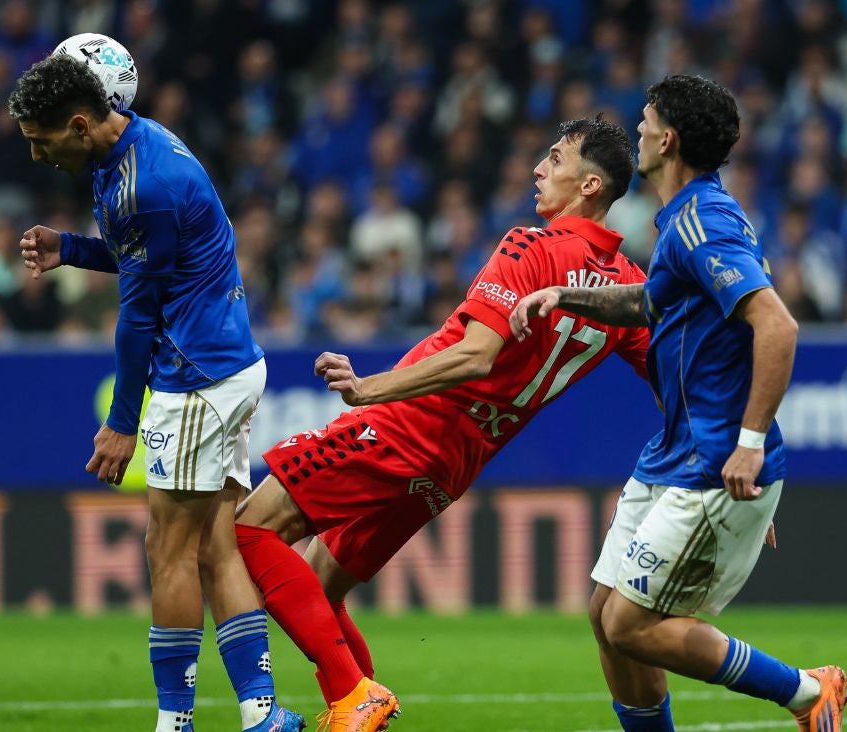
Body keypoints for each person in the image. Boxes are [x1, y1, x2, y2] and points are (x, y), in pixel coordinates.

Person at [234, 117, 651, 731]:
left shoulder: (530, 246)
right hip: (454, 464)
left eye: (555, 159)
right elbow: (676, 379)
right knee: (320, 585)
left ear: (590, 185)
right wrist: (731, 452)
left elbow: (475, 354)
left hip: (407, 426)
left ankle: (352, 695)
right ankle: (356, 708)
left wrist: (369, 388)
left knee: (247, 532)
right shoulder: (628, 289)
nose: (539, 168)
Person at [510, 75, 847, 732]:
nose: (635, 132)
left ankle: (809, 693)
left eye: (643, 123)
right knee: (604, 614)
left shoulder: (702, 224)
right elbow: (648, 303)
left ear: (667, 140)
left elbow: (777, 325)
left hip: (714, 458)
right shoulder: (685, 220)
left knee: (631, 625)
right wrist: (566, 296)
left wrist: (749, 449)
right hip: (676, 453)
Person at [6, 55, 303, 732]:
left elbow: (138, 316)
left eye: (39, 139)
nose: (33, 152)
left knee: (167, 549)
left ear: (79, 124)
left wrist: (121, 423)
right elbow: (147, 251)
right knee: (214, 545)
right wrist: (73, 249)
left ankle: (175, 724)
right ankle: (260, 714)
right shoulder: (135, 151)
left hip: (196, 375)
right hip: (225, 362)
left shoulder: (143, 183)